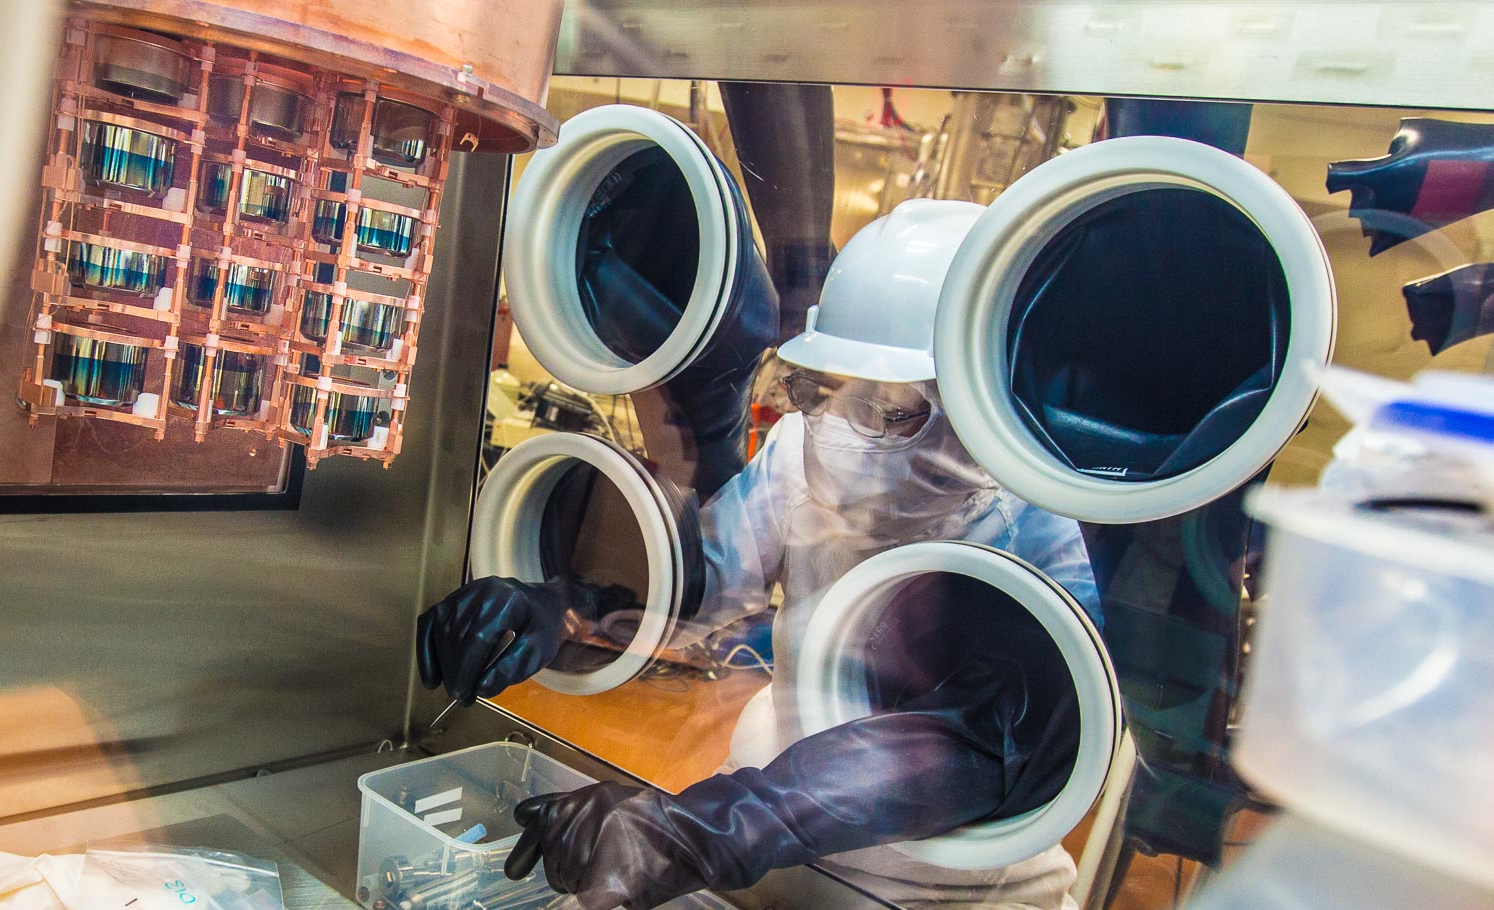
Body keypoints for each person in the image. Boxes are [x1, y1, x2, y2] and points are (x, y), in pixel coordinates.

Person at [416, 200, 1101, 910]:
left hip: (945, 894)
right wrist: (561, 608)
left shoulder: (1043, 538)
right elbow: (701, 583)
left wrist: (698, 830)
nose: (841, 432)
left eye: (890, 408)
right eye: (824, 390)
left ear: (982, 406)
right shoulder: (806, 450)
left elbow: (973, 746)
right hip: (769, 854)